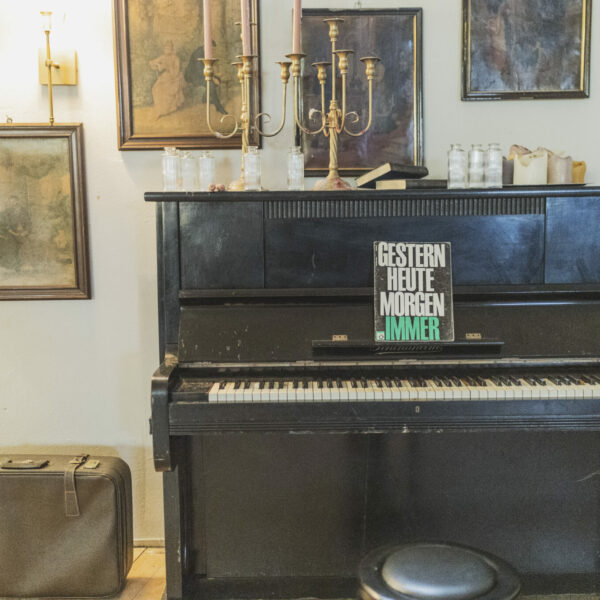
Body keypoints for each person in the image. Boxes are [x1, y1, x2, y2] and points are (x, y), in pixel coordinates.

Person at [149, 40, 185, 118]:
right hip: (165, 77)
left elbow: (176, 72)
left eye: (169, 48)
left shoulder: (176, 58)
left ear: (172, 49)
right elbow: (152, 62)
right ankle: (160, 109)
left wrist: (167, 67)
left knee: (167, 89)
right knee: (156, 88)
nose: (167, 49)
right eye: (166, 48)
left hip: (174, 78)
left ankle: (167, 109)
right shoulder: (163, 57)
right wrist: (156, 64)